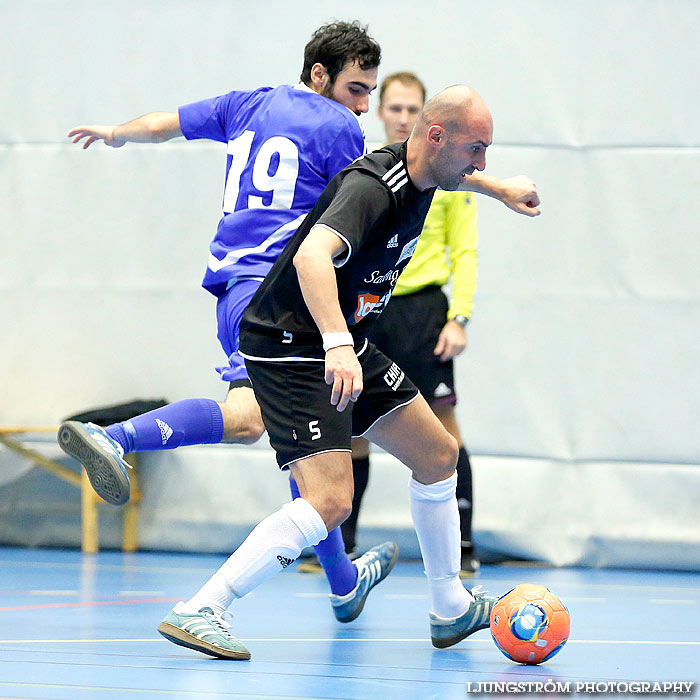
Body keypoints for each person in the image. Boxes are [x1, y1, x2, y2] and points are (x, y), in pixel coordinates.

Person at [59, 22, 537, 625]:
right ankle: (195, 584)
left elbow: (164, 124)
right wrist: (338, 343)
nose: (363, 107)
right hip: (289, 309)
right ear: (320, 77)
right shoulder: (347, 145)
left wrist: (114, 132)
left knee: (431, 454)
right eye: (359, 91)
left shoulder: (250, 103)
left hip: (260, 293)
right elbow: (328, 236)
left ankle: (390, 592)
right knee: (276, 446)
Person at [153, 85, 540, 660]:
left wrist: (497, 187)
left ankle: (450, 607)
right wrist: (336, 344)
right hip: (292, 343)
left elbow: (456, 174)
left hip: (338, 340)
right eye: (476, 149)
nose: (481, 161)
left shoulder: (428, 174)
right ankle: (202, 608)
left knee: (437, 456)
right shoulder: (372, 187)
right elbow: (312, 256)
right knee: (330, 499)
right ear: (436, 137)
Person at [349, 71, 482, 576]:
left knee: (444, 428)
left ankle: (463, 546)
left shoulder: (450, 178)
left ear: (429, 122)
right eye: (395, 108)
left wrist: (459, 317)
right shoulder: (370, 174)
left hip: (423, 313)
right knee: (354, 423)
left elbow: (464, 250)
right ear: (381, 112)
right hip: (369, 309)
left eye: (412, 110)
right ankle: (341, 543)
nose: (402, 117)